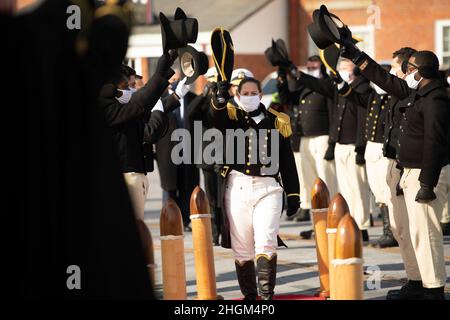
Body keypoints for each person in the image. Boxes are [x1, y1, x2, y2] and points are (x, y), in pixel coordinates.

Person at [342, 41, 450, 299]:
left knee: (425, 232)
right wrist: (356, 55)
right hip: (405, 170)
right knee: (403, 229)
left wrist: (427, 183)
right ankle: (415, 280)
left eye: (408, 68)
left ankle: (433, 288)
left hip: (424, 174)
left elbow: (435, 142)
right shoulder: (415, 91)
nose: (403, 73)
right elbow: (384, 78)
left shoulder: (436, 98)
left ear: (420, 72)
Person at [210, 77, 300, 300]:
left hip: (269, 188)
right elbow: (216, 119)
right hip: (238, 187)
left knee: (267, 240)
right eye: (245, 93)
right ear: (238, 95)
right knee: (242, 247)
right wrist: (219, 99)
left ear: (261, 94)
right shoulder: (232, 118)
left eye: (254, 92)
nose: (250, 97)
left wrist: (294, 193)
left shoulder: (277, 120)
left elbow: (287, 161)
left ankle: (267, 295)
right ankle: (250, 297)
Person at [286, 58, 372, 241]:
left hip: (353, 146)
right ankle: (346, 221)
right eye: (339, 67)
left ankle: (361, 226)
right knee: (346, 189)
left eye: (344, 67)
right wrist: (334, 143)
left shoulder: (362, 89)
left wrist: (360, 148)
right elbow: (338, 118)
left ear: (355, 69)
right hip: (340, 144)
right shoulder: (342, 89)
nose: (341, 70)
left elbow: (361, 121)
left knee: (357, 189)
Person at [98, 52, 179, 220]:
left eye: (133, 86)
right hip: (125, 179)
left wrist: (163, 76)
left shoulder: (125, 109)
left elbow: (146, 117)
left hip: (137, 177)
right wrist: (158, 75)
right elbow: (141, 105)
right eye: (127, 86)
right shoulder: (107, 108)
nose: (132, 90)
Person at [342, 63, 399, 248]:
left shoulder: (393, 96)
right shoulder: (374, 95)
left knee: (386, 190)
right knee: (377, 190)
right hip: (371, 147)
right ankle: (386, 229)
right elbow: (356, 98)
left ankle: (391, 231)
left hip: (385, 148)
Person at [278, 55, 338, 224]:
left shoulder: (327, 84)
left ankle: (332, 218)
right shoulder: (303, 85)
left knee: (326, 180)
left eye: (314, 67)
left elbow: (334, 115)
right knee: (310, 181)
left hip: (322, 137)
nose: (311, 71)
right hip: (305, 139)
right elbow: (286, 99)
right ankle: (317, 222)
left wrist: (332, 143)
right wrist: (282, 75)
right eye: (309, 67)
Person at [187, 67, 223, 244]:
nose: (214, 84)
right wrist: (203, 95)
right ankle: (215, 233)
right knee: (211, 197)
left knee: (226, 195)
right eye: (211, 81)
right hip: (207, 155)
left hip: (227, 153)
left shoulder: (225, 98)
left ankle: (227, 230)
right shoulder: (200, 101)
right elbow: (189, 114)